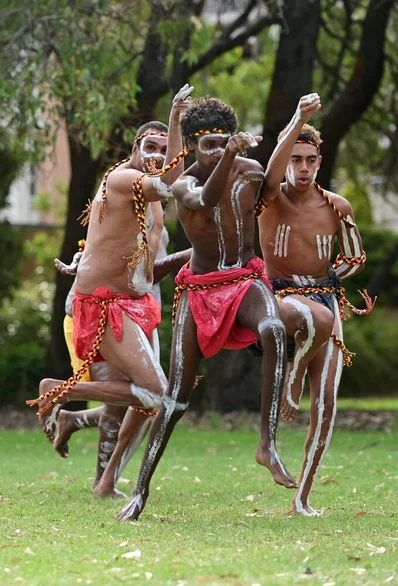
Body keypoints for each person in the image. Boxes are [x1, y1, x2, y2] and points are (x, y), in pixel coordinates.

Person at [116, 96, 297, 522]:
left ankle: (266, 444)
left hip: (245, 278)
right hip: (200, 290)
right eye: (208, 144)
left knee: (273, 327)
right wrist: (218, 148)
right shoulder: (184, 185)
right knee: (177, 397)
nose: (216, 151)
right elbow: (206, 200)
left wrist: (298, 117)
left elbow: (274, 181)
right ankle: (140, 491)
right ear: (194, 146)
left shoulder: (250, 172)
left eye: (223, 143)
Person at [28, 85, 193, 486]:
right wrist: (175, 120)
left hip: (137, 303)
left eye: (162, 147)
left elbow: (142, 266)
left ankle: (105, 482)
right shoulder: (125, 179)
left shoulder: (151, 201)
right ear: (136, 148)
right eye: (150, 147)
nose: (156, 155)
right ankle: (58, 392)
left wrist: (196, 257)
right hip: (100, 306)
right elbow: (173, 178)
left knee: (147, 398)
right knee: (155, 394)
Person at [256, 93, 373, 516]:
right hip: (280, 297)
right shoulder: (268, 198)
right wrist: (297, 120)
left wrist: (330, 278)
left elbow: (356, 256)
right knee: (309, 314)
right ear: (287, 160)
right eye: (296, 159)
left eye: (310, 160)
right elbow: (270, 174)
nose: (302, 168)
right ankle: (294, 374)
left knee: (326, 405)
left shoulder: (337, 206)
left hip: (325, 297)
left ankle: (302, 499)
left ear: (319, 162)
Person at [51, 230, 190, 498]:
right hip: (97, 315)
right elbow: (141, 276)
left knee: (145, 398)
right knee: (134, 397)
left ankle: (73, 419)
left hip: (139, 318)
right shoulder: (123, 202)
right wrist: (190, 255)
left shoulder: (152, 210)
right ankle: (102, 483)